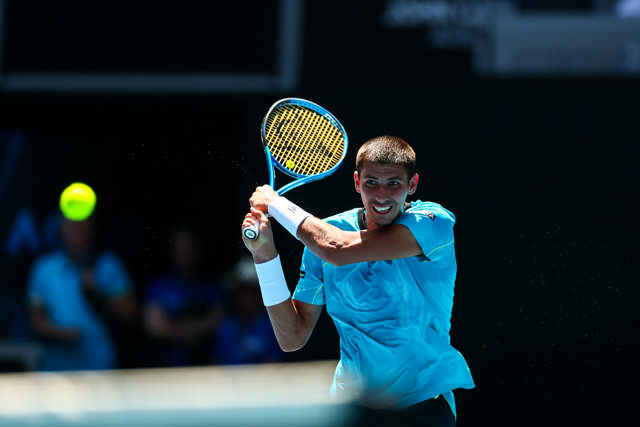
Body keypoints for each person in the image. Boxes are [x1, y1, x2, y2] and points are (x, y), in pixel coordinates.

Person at [241, 135, 474, 426]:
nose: (381, 195)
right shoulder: (321, 236)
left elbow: (336, 249)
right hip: (352, 409)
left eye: (394, 184)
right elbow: (292, 337)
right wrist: (264, 255)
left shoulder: (433, 223)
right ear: (356, 182)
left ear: (412, 185)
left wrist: (276, 204)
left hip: (422, 405)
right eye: (371, 182)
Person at [26, 215, 137, 371]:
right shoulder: (45, 268)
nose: (77, 231)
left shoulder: (108, 265)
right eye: (71, 226)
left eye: (82, 226)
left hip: (99, 369)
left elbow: (131, 315)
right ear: (61, 230)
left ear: (92, 229)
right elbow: (35, 321)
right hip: (55, 372)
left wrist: (97, 293)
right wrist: (62, 333)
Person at [143, 225, 225, 367]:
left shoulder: (211, 287)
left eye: (189, 251)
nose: (184, 257)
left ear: (198, 251)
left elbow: (221, 322)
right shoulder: (159, 286)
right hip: (165, 369)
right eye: (179, 252)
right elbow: (155, 327)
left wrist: (176, 327)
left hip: (205, 368)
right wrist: (196, 328)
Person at [213, 256, 284, 365]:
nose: (246, 297)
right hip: (227, 381)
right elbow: (216, 364)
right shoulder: (227, 326)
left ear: (260, 293)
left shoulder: (273, 327)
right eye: (242, 291)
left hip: (265, 381)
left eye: (251, 291)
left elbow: (275, 365)